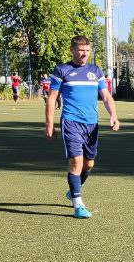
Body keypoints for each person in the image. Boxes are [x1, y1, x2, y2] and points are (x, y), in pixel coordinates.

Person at [45, 35, 120, 219]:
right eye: (81, 50)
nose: (84, 54)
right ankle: (78, 204)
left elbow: (106, 96)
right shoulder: (62, 70)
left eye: (87, 50)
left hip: (92, 124)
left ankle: (74, 189)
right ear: (72, 50)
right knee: (76, 162)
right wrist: (49, 124)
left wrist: (113, 115)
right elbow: (52, 98)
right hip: (71, 122)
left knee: (89, 164)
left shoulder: (95, 71)